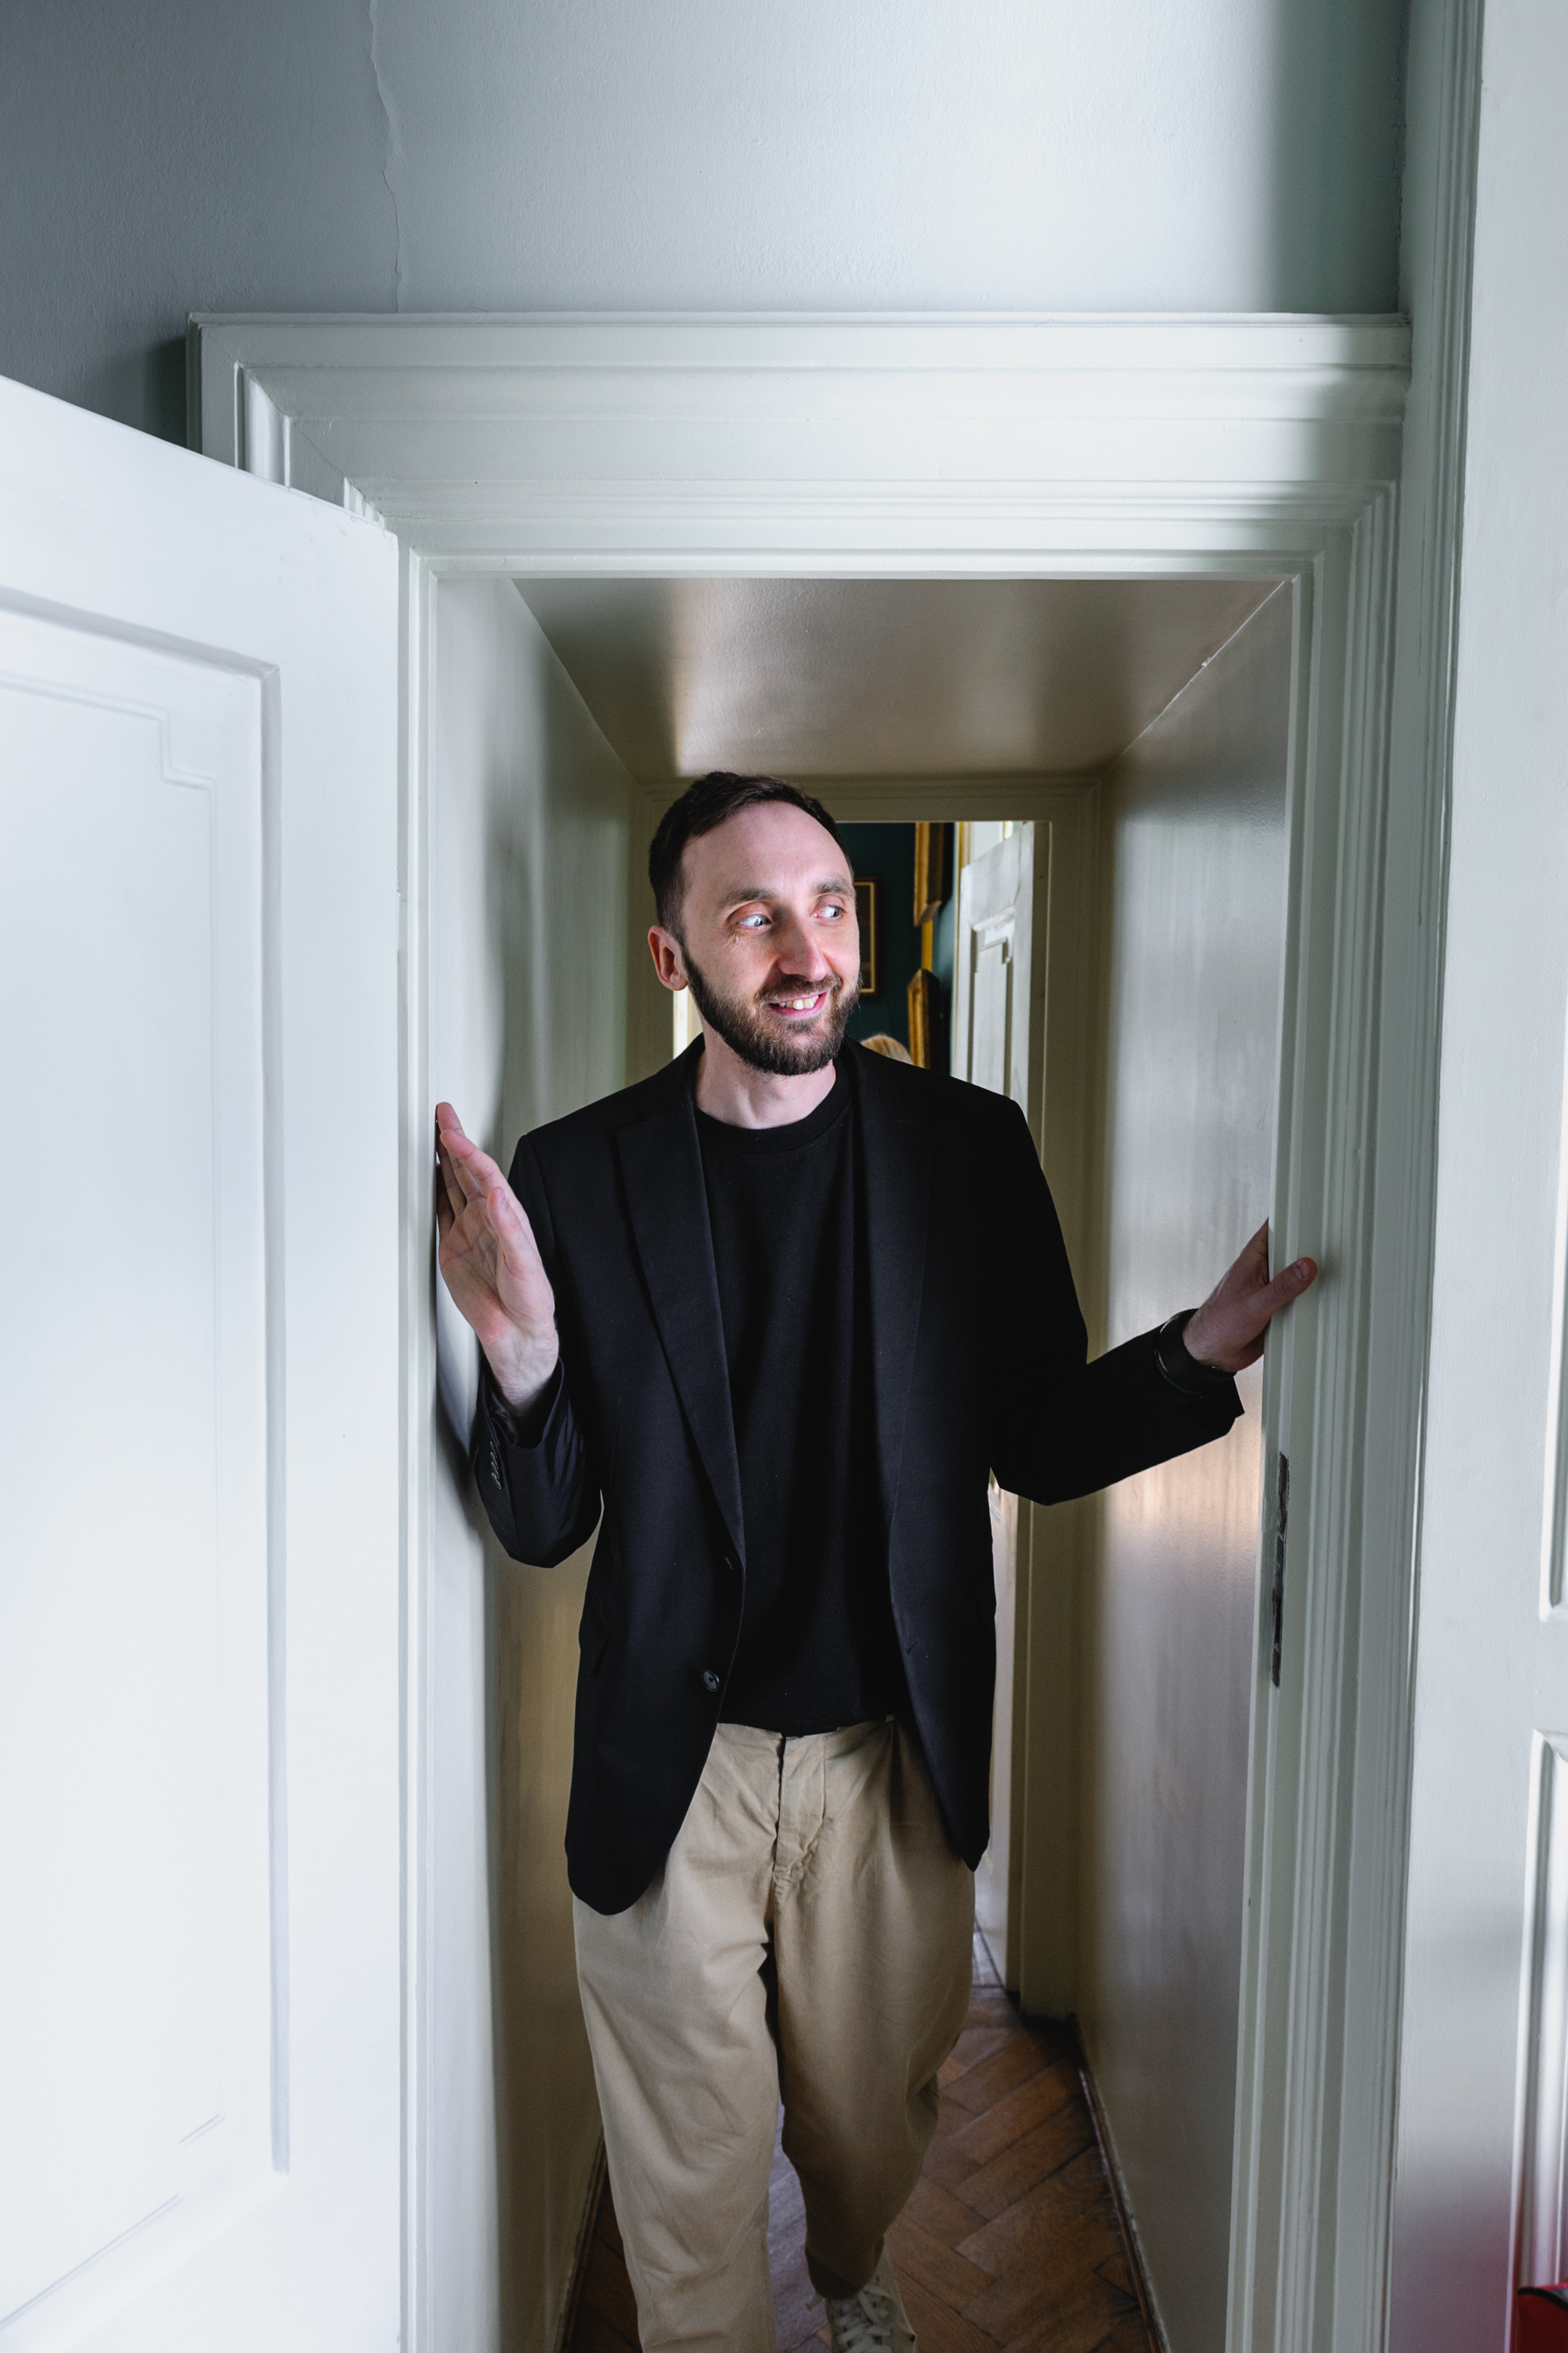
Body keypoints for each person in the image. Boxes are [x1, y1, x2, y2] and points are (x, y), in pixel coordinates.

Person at [435, 771, 1316, 2353]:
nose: (806, 948)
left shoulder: (970, 1150)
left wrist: (1196, 1354)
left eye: (830, 905)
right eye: (753, 913)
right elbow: (546, 1518)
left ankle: (848, 2267)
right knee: (687, 2194)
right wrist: (521, 1352)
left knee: (867, 2132)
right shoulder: (577, 1173)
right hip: (672, 1764)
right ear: (672, 959)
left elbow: (1037, 1441)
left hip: (887, 1752)